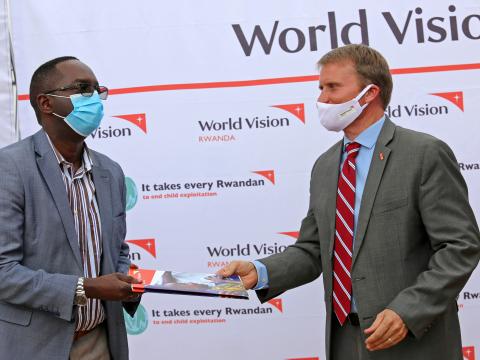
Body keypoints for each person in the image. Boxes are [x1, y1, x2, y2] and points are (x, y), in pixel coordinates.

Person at [219, 44, 480, 360]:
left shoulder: (424, 154)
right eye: (320, 88)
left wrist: (409, 311)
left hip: (412, 341)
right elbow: (313, 249)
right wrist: (260, 272)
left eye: (333, 88)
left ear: (370, 93)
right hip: (343, 340)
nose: (322, 99)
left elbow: (460, 246)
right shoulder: (325, 166)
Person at [0, 56, 142, 360]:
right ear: (46, 103)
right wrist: (86, 288)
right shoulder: (10, 169)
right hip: (35, 346)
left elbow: (118, 250)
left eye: (97, 90)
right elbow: (3, 272)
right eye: (83, 89)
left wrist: (126, 281)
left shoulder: (111, 171)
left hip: (100, 341)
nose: (95, 99)